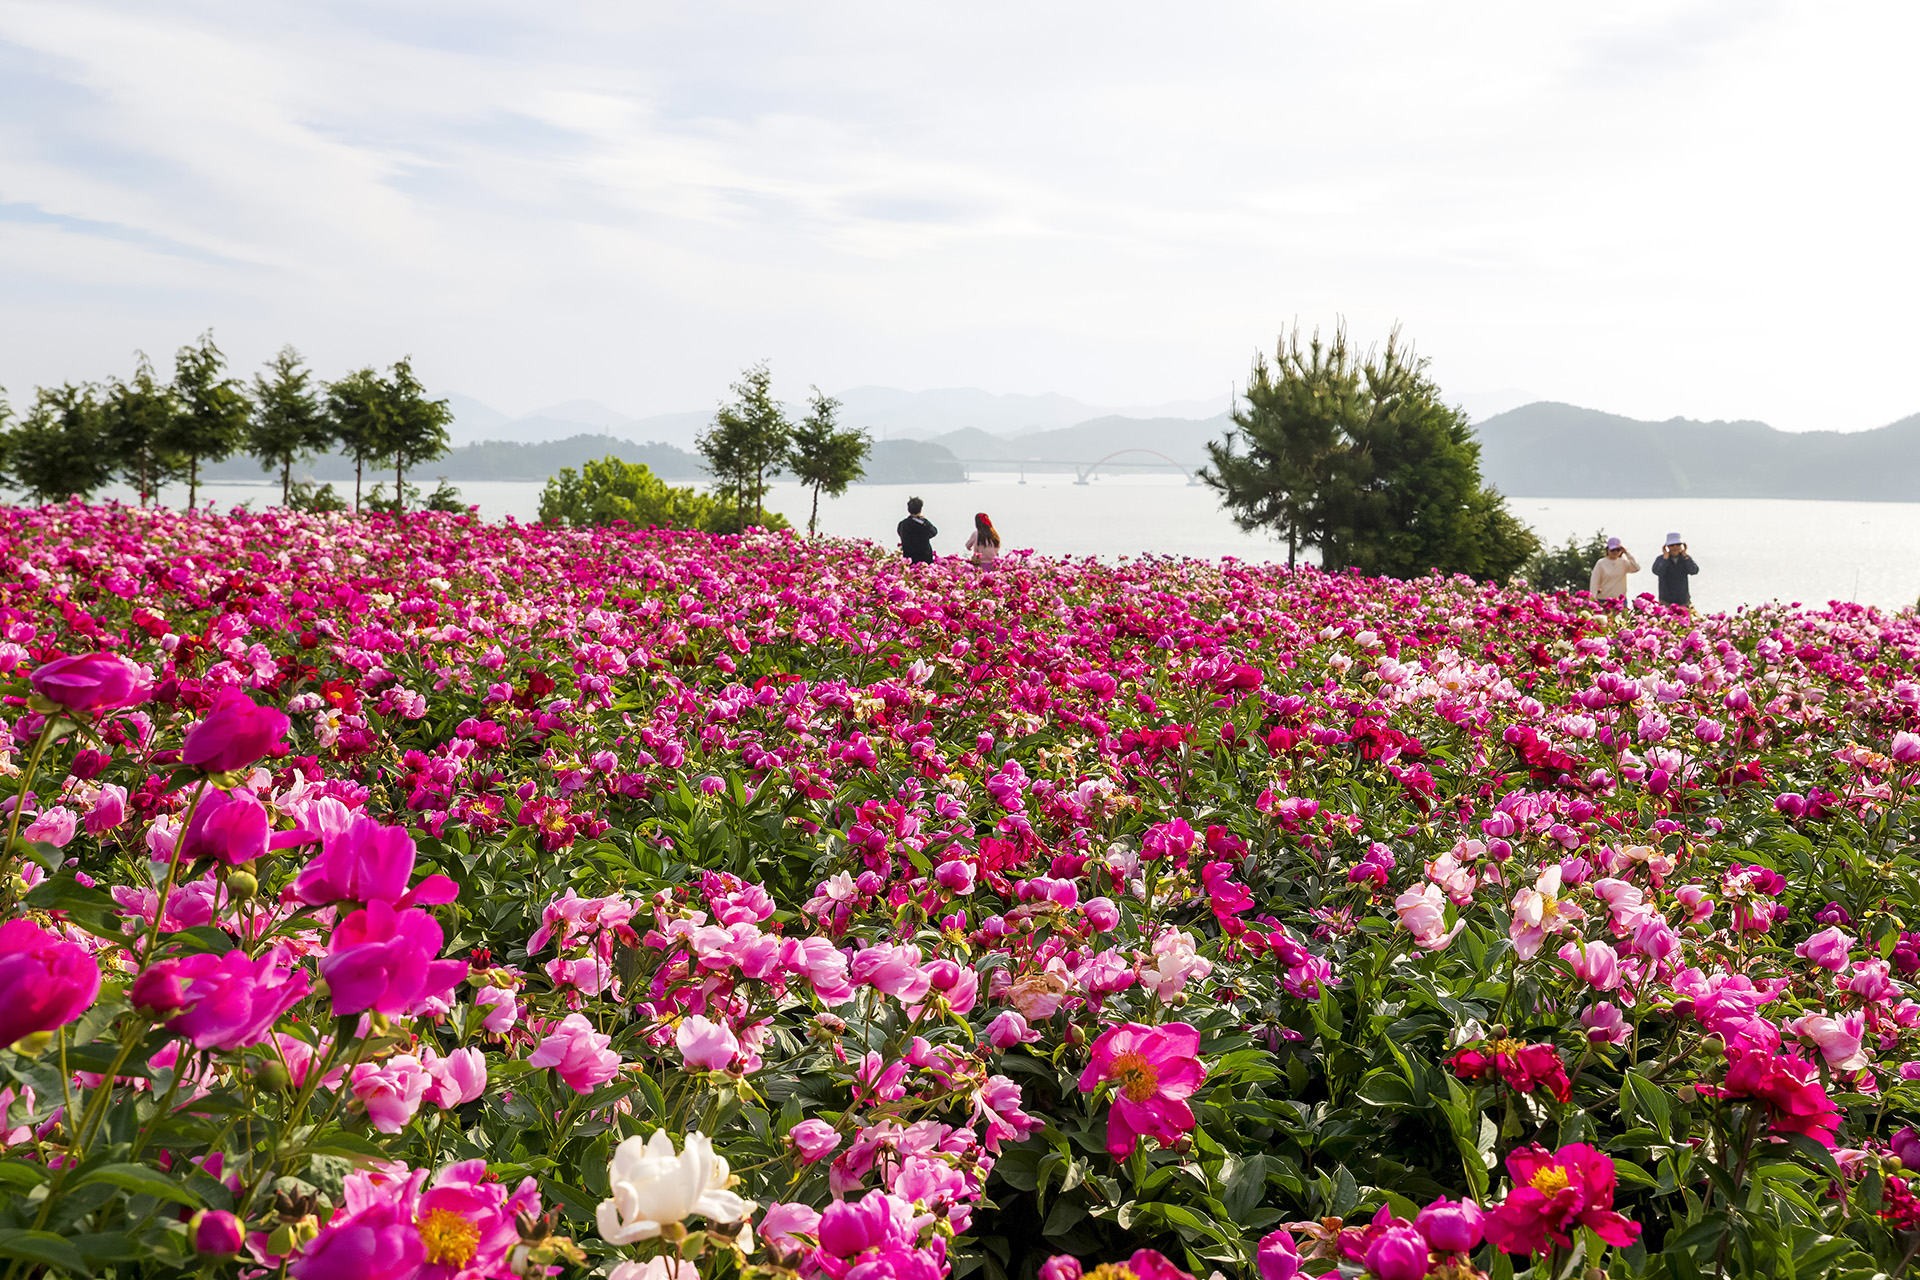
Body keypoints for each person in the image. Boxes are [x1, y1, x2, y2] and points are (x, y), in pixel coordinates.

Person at [1651, 532, 1698, 606]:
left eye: (1678, 545)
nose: (1675, 547)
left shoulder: (1685, 559)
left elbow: (1694, 571)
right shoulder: (1661, 559)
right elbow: (1658, 571)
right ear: (1667, 547)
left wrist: (1686, 556)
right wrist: (1665, 559)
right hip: (1666, 600)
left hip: (1683, 600)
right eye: (1672, 545)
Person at [1588, 536, 1639, 601]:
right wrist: (1592, 598)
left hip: (1620, 599)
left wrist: (1627, 553)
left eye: (1618, 550)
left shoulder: (1624, 562)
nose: (1615, 552)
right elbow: (1594, 582)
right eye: (1612, 550)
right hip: (1603, 599)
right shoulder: (1601, 563)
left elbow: (1636, 568)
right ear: (1607, 550)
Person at [897, 497, 938, 564]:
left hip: (909, 559)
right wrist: (925, 521)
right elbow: (934, 532)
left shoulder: (902, 524)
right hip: (924, 559)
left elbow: (900, 533)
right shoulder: (923, 525)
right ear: (920, 510)